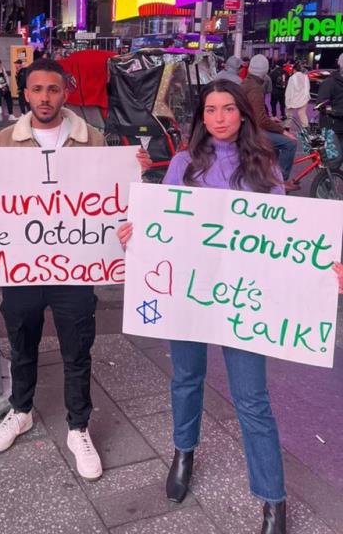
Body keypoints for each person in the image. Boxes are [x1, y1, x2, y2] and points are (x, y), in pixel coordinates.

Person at [117, 80, 288, 534]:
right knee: (187, 378)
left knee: (252, 399)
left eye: (228, 109)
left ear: (243, 115)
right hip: (188, 294)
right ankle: (183, 452)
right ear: (201, 118)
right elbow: (162, 225)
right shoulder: (183, 163)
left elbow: (286, 238)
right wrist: (137, 234)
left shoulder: (265, 166)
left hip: (241, 300)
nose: (219, 118)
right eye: (210, 109)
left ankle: (273, 499)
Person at [0, 60, 106, 479]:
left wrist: (135, 171)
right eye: (37, 90)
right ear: (26, 94)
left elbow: (111, 198)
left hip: (75, 266)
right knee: (21, 343)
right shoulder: (4, 140)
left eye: (53, 89)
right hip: (22, 265)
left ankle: (78, 426)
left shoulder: (94, 141)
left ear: (66, 92)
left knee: (77, 349)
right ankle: (21, 410)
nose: (45, 98)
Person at [241, 55, 298, 191]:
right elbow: (261, 120)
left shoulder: (246, 83)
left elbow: (255, 113)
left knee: (275, 146)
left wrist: (270, 119)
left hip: (247, 126)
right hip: (252, 131)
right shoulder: (255, 88)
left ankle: (270, 174)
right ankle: (281, 181)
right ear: (265, 71)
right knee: (290, 143)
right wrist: (282, 130)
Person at [316, 53, 343, 152]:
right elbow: (320, 105)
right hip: (332, 129)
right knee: (335, 161)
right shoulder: (329, 82)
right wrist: (336, 112)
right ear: (340, 64)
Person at [284, 62, 310, 131]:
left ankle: (287, 127)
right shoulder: (305, 77)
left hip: (293, 98)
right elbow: (307, 88)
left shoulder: (292, 78)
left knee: (289, 113)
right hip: (303, 98)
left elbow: (289, 90)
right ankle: (305, 127)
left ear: (294, 70)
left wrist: (287, 100)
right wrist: (306, 97)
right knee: (302, 113)